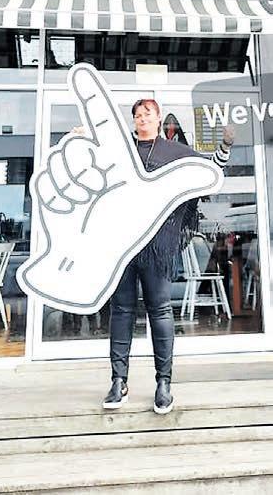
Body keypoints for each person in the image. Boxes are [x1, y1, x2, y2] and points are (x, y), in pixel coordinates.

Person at [102, 98, 234, 414]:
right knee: (121, 311)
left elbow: (209, 172)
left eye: (147, 113)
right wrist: (79, 138)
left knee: (160, 310)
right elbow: (93, 171)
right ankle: (118, 381)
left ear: (159, 118)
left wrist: (226, 145)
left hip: (159, 246)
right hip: (122, 245)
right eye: (137, 115)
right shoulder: (121, 150)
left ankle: (164, 383)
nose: (142, 118)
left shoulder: (176, 152)